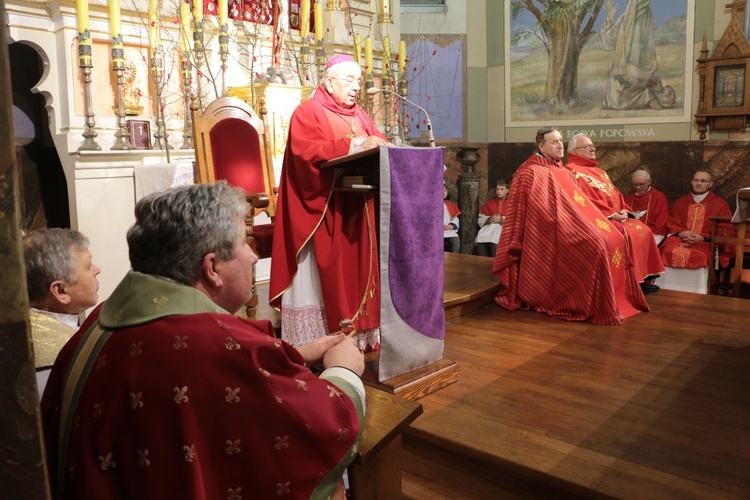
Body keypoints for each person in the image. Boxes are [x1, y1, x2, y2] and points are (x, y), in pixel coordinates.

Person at [41, 182, 365, 500]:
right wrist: (344, 371)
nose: (254, 256)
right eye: (244, 242)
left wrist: (290, 356)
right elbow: (323, 427)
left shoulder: (99, 321)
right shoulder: (216, 349)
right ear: (212, 268)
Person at [270, 54, 390, 351]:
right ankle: (319, 338)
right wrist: (356, 144)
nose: (356, 87)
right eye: (349, 80)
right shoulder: (308, 112)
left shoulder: (360, 115)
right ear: (328, 81)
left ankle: (360, 333)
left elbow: (378, 141)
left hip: (359, 207)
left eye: (358, 81)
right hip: (326, 209)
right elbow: (306, 152)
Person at [493, 126, 649, 326]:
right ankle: (587, 302)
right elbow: (532, 213)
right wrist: (568, 226)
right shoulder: (529, 172)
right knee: (595, 244)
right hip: (544, 233)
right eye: (554, 142)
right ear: (541, 145)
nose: (560, 146)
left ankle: (611, 300)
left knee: (611, 237)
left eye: (561, 141)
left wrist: (587, 224)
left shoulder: (560, 169)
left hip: (567, 224)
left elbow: (579, 203)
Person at [565, 134, 664, 292]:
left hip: (616, 215)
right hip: (597, 219)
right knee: (628, 233)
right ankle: (629, 284)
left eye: (593, 145)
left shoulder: (599, 171)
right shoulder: (570, 171)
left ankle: (642, 279)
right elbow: (582, 200)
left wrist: (624, 209)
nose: (593, 149)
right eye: (587, 146)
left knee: (643, 230)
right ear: (575, 151)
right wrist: (611, 215)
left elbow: (615, 193)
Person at [23, 228, 101, 370]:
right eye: (88, 266)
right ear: (61, 291)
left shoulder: (15, 333)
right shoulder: (69, 354)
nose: (97, 270)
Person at [598, 0, 675, 110]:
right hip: (647, 75)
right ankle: (648, 96)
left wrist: (609, 17)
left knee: (614, 98)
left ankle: (643, 98)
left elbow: (607, 41)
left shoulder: (627, 17)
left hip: (627, 79)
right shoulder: (647, 13)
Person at [660, 170, 733, 269]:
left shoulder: (720, 205)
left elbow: (724, 228)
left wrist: (703, 237)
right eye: (696, 180)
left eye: (703, 181)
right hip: (680, 240)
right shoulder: (680, 203)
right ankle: (667, 285)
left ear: (710, 184)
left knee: (699, 255)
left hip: (706, 242)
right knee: (667, 251)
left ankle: (697, 285)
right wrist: (681, 233)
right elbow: (672, 222)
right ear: (692, 182)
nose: (699, 184)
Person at [624, 168, 669, 243]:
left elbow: (660, 222)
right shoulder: (628, 200)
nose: (638, 187)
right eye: (636, 184)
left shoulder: (659, 197)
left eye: (641, 184)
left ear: (649, 182)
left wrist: (644, 233)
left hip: (654, 233)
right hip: (632, 234)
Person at [475, 179, 509, 257]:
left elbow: (515, 219)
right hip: (490, 226)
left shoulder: (511, 202)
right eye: (497, 189)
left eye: (501, 189)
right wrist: (489, 219)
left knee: (495, 241)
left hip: (503, 228)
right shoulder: (490, 202)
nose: (499, 192)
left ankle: (493, 263)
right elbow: (481, 217)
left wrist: (502, 220)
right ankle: (483, 261)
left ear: (507, 190)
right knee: (480, 239)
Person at [443, 182, 461, 253]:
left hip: (448, 230)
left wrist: (452, 226)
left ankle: (454, 258)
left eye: (445, 191)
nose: (443, 193)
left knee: (455, 240)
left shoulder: (450, 204)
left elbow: (455, 217)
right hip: (437, 231)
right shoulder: (431, 204)